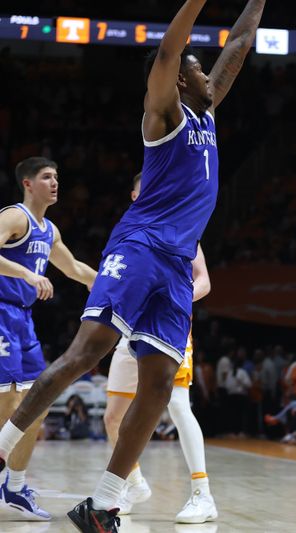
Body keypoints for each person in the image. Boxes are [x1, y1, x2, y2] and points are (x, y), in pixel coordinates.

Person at [0, 1, 267, 530]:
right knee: (87, 351)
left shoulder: (204, 111)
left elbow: (237, 48)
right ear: (176, 81)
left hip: (175, 263)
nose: (205, 73)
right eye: (195, 69)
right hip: (141, 245)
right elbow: (170, 50)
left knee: (161, 384)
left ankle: (102, 503)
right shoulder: (161, 114)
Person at [102, 171, 215, 523]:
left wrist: (176, 299)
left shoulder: (183, 228)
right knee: (112, 416)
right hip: (129, 332)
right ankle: (134, 484)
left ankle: (202, 494)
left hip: (167, 327)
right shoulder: (128, 232)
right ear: (135, 195)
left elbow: (203, 281)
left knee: (179, 406)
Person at [0, 156, 97, 520]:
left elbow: (74, 269)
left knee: (38, 403)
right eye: (46, 177)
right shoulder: (14, 217)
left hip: (23, 321)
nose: (55, 182)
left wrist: (108, 285)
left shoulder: (48, 230)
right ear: (27, 183)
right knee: (9, 405)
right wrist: (27, 275)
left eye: (57, 176)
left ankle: (15, 485)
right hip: (1, 313)